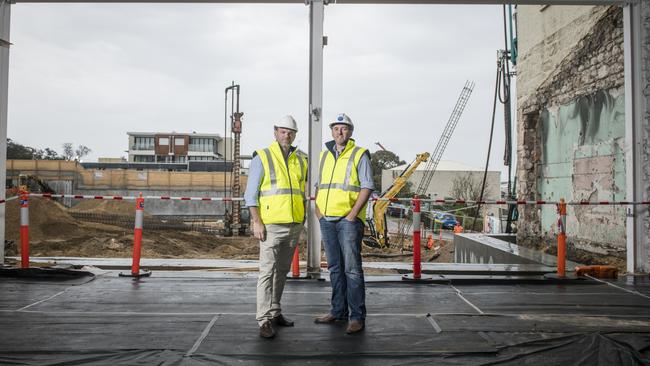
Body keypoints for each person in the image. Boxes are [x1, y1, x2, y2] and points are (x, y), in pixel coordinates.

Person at [244, 115, 308, 339]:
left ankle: (275, 311)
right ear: (275, 132)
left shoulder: (301, 159)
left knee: (282, 272)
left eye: (290, 132)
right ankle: (263, 320)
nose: (286, 135)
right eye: (283, 131)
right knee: (266, 272)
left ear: (295, 135)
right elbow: (250, 194)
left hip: (293, 225)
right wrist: (256, 221)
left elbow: (301, 191)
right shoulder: (262, 156)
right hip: (270, 226)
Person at [313, 113, 374, 335]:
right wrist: (318, 211)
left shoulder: (359, 155)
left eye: (345, 128)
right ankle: (338, 311)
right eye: (337, 128)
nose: (341, 132)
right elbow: (320, 185)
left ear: (351, 132)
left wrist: (353, 214)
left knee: (352, 270)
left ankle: (357, 317)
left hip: (348, 221)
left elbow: (367, 186)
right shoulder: (324, 156)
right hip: (327, 220)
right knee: (335, 269)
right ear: (331, 131)